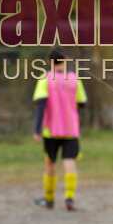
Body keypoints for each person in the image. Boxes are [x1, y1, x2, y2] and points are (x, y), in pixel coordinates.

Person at [33, 49, 86, 211]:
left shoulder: (45, 79)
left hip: (51, 130)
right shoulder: (74, 79)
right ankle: (69, 198)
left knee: (50, 162)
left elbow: (41, 105)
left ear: (50, 62)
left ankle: (49, 199)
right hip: (71, 129)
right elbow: (82, 103)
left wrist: (37, 129)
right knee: (69, 162)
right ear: (65, 60)